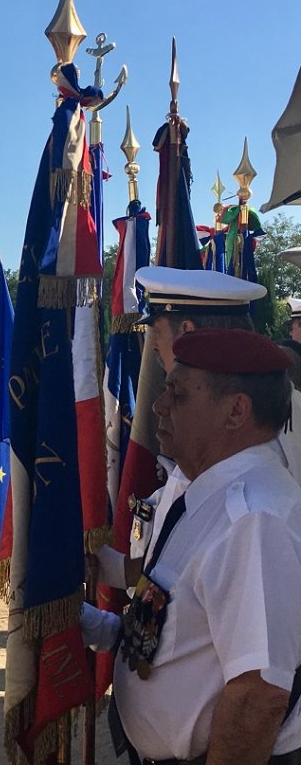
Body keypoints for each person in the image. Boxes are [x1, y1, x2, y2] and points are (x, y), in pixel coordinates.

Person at [84, 328, 301, 765]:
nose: (158, 406)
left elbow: (257, 698)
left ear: (237, 410)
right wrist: (91, 623)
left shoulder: (253, 518)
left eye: (178, 395)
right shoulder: (204, 493)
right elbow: (181, 625)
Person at [94, 267, 301, 589]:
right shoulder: (223, 414)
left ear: (186, 333)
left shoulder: (255, 514)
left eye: (155, 337)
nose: (154, 351)